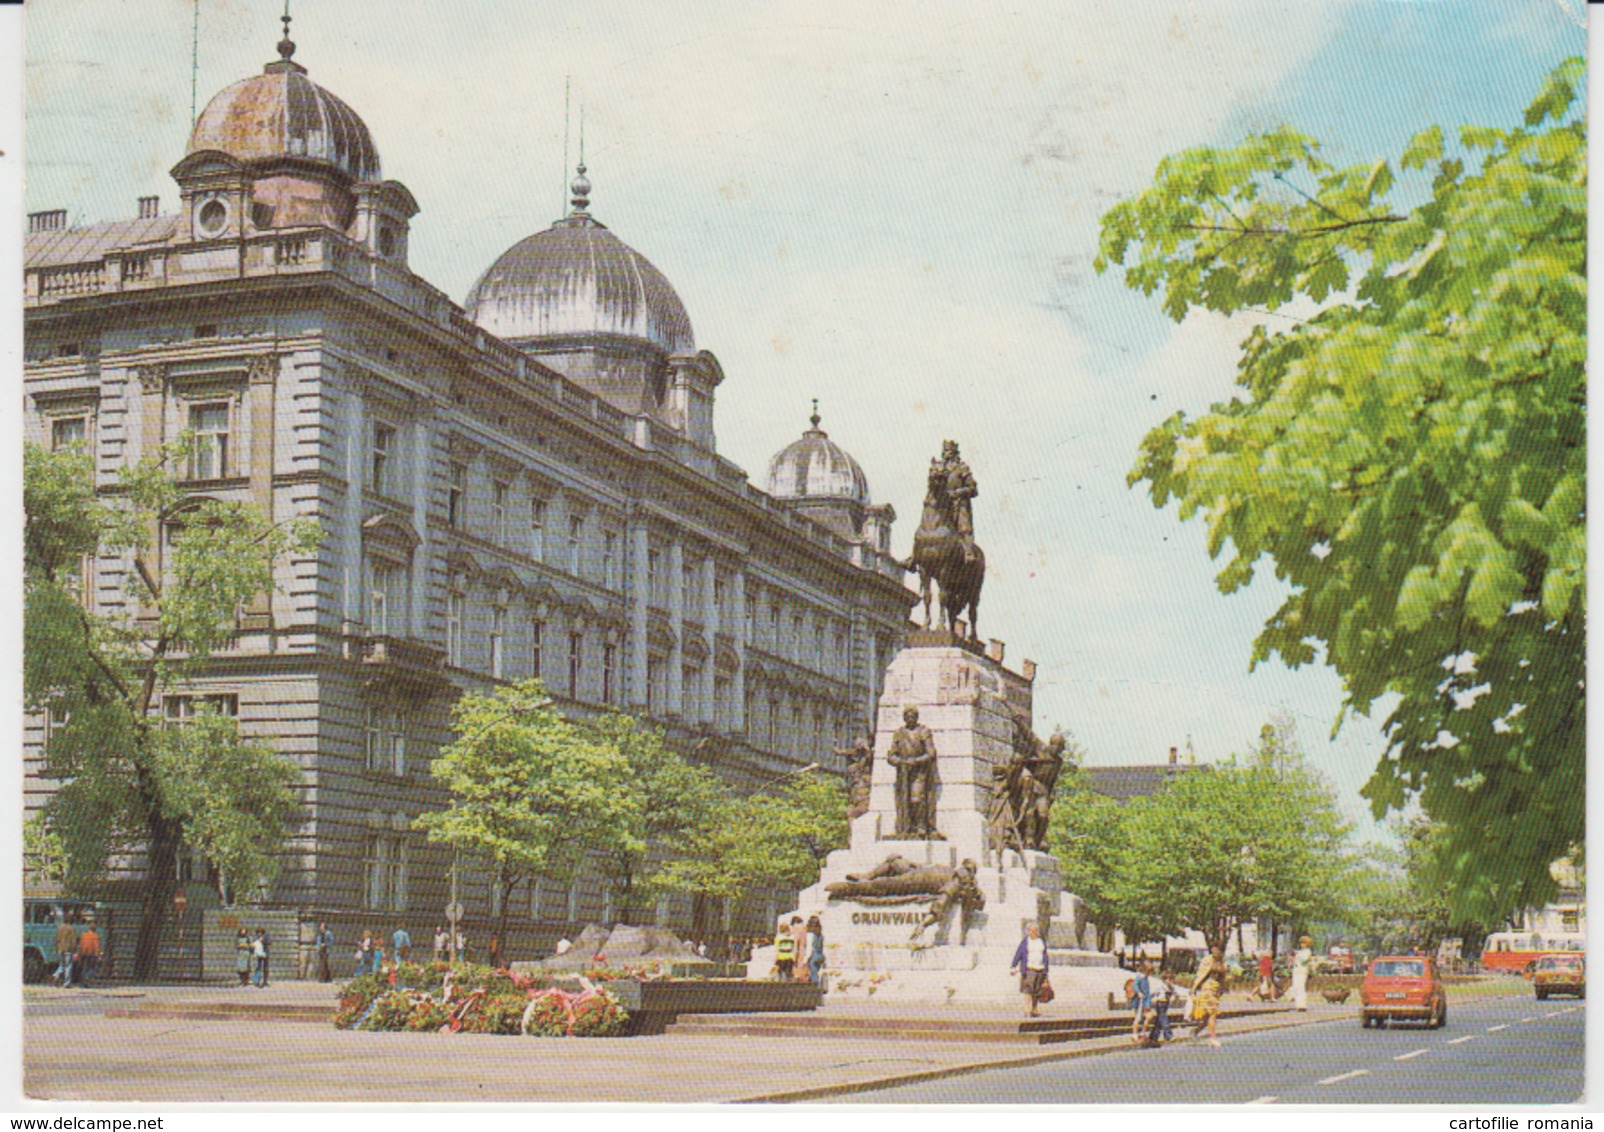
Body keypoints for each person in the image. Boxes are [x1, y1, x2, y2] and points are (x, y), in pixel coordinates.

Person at [887, 707, 939, 839]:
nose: (910, 719)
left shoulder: (923, 731)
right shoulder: (899, 733)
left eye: (913, 716)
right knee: (904, 801)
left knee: (916, 799)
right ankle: (906, 827)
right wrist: (899, 761)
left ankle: (921, 825)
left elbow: (931, 753)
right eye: (908, 716)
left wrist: (915, 761)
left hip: (919, 771)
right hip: (903, 772)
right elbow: (891, 755)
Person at [1009, 922, 1049, 1018]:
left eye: (1036, 930)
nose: (1034, 932)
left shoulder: (1041, 941)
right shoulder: (1026, 942)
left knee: (1037, 990)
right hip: (1029, 968)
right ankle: (1027, 1008)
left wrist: (1046, 969)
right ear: (1028, 931)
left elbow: (1045, 955)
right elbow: (1019, 954)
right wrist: (1013, 966)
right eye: (1032, 930)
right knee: (1028, 989)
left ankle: (1034, 1009)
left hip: (1040, 968)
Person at [1191, 945, 1227, 1048]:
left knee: (1207, 1016)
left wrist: (1222, 988)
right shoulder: (1207, 960)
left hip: (1216, 988)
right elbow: (1201, 974)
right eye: (1213, 949)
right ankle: (1213, 1038)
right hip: (1207, 987)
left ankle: (1195, 1031)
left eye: (1217, 949)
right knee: (1212, 1013)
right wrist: (1194, 988)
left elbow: (1222, 977)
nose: (1215, 951)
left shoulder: (1222, 962)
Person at [1131, 961, 1156, 1045]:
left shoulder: (1145, 978)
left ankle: (1143, 1032)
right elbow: (1135, 986)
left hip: (1146, 1001)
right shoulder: (1140, 977)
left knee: (1149, 1016)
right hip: (1140, 1001)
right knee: (1138, 1018)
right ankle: (1135, 1034)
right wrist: (1139, 992)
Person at [53, 913, 78, 989]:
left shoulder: (59, 928)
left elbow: (57, 939)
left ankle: (56, 975)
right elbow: (73, 940)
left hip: (60, 948)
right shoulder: (71, 929)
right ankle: (66, 983)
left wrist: (56, 948)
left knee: (61, 965)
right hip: (68, 949)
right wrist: (75, 950)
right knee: (68, 966)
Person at [1291, 935, 1313, 1011]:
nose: (1302, 944)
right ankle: (1297, 1004)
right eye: (1301, 943)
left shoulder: (1307, 951)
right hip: (1296, 970)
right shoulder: (1300, 951)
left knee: (1301, 987)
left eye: (1304, 943)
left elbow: (1304, 960)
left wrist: (1297, 955)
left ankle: (1302, 1005)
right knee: (1296, 986)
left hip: (1302, 971)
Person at [75, 921, 100, 989]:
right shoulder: (95, 936)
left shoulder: (84, 935)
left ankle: (84, 982)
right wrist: (98, 954)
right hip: (91, 953)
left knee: (84, 967)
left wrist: (79, 953)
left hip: (84, 952)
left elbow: (81, 944)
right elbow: (96, 945)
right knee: (92, 968)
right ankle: (87, 978)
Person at [804, 915, 825, 987]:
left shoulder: (810, 935)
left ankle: (817, 987)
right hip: (821, 955)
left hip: (814, 956)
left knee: (814, 974)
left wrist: (805, 960)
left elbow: (809, 949)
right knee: (817, 972)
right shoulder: (820, 934)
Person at [788, 917, 808, 982]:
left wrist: (794, 954)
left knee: (797, 967)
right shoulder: (805, 928)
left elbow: (796, 942)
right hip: (804, 949)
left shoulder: (796, 928)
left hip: (798, 950)